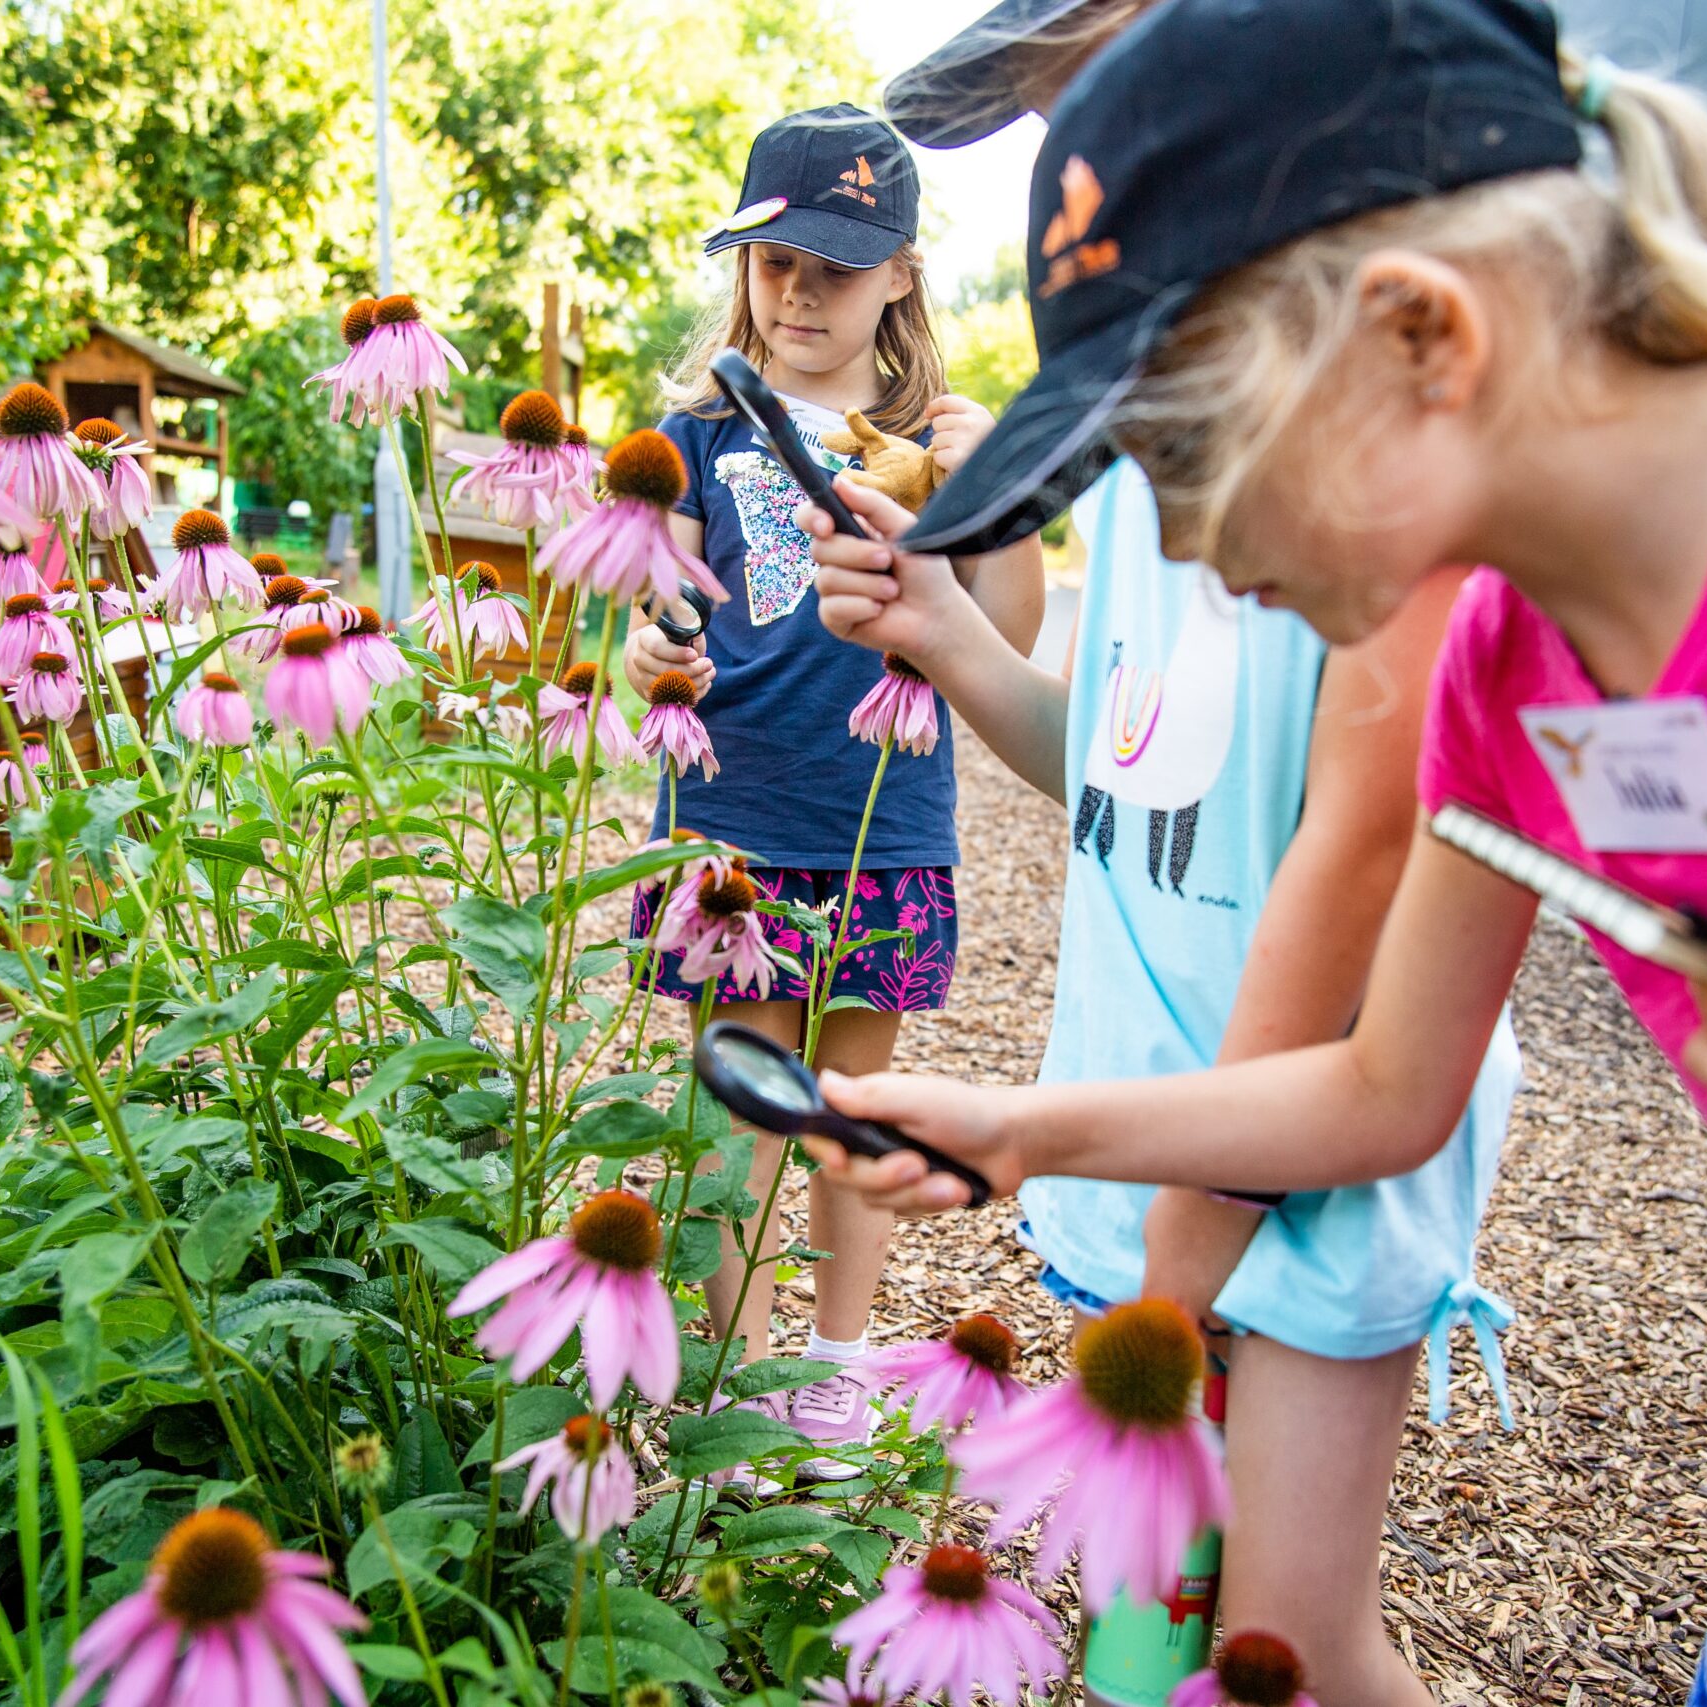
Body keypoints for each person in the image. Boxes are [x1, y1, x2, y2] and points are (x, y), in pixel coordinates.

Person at [797, 2, 1707, 1702]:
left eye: (1186, 458)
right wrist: (1022, 1131)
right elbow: (1386, 1086)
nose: (1186, 546)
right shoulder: (1507, 669)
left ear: (1420, 340)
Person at [801, 13, 1519, 1704]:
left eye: (1096, 110)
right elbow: (1133, 786)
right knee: (1146, 1619)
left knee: (1287, 1633)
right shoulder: (1141, 463)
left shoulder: (1358, 468)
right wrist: (956, 637)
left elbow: (1353, 862)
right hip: (1141, 1134)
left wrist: (1183, 1267)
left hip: (1299, 1156)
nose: (1077, 178)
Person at [627, 104, 1043, 1476]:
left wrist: (1001, 498)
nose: (799, 293)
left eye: (835, 267)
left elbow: (1013, 633)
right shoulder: (696, 431)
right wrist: (648, 644)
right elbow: (666, 605)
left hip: (884, 813)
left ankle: (837, 1372)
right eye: (774, 263)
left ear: (904, 274)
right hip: (738, 819)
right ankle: (733, 1383)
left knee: (855, 1117)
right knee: (745, 1117)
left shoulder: (936, 440)